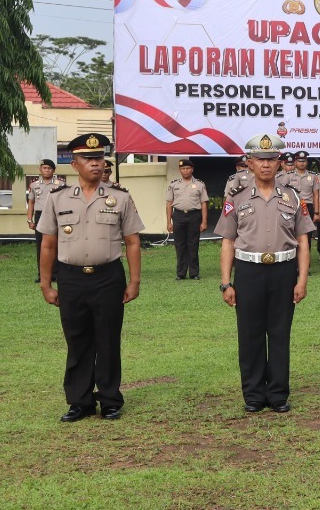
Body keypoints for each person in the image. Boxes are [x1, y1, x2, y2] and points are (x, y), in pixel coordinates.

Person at [36, 133, 143, 422]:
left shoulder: (119, 198)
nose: (96, 164)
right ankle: (79, 401)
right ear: (75, 164)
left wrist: (134, 281)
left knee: (108, 339)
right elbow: (47, 244)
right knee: (77, 339)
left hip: (108, 276)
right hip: (71, 278)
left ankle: (110, 399)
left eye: (99, 158)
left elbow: (132, 241)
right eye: (88, 159)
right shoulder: (57, 199)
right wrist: (46, 284)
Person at [217, 134, 314, 413]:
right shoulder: (236, 199)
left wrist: (302, 279)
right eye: (260, 159)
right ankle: (254, 395)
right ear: (250, 163)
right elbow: (228, 242)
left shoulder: (293, 197)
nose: (266, 165)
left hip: (284, 271)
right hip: (248, 271)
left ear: (280, 163)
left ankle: (278, 394)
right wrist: (226, 283)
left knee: (280, 333)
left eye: (272, 159)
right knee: (250, 334)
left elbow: (304, 240)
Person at [163, 159, 208, 280]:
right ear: (180, 170)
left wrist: (204, 221)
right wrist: (169, 222)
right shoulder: (174, 184)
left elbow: (204, 203)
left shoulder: (199, 184)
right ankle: (181, 273)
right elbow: (169, 204)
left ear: (192, 169)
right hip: (178, 216)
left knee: (193, 244)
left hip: (194, 216)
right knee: (180, 244)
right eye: (183, 168)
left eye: (188, 168)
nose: (185, 170)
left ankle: (194, 273)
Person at [28, 159, 65, 282]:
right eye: (44, 168)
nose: (47, 170)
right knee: (40, 245)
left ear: (53, 170)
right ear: (40, 169)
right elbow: (31, 202)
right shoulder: (34, 185)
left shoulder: (60, 184)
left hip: (56, 216)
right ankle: (42, 275)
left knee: (57, 244)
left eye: (49, 168)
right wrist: (30, 220)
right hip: (40, 216)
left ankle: (57, 273)